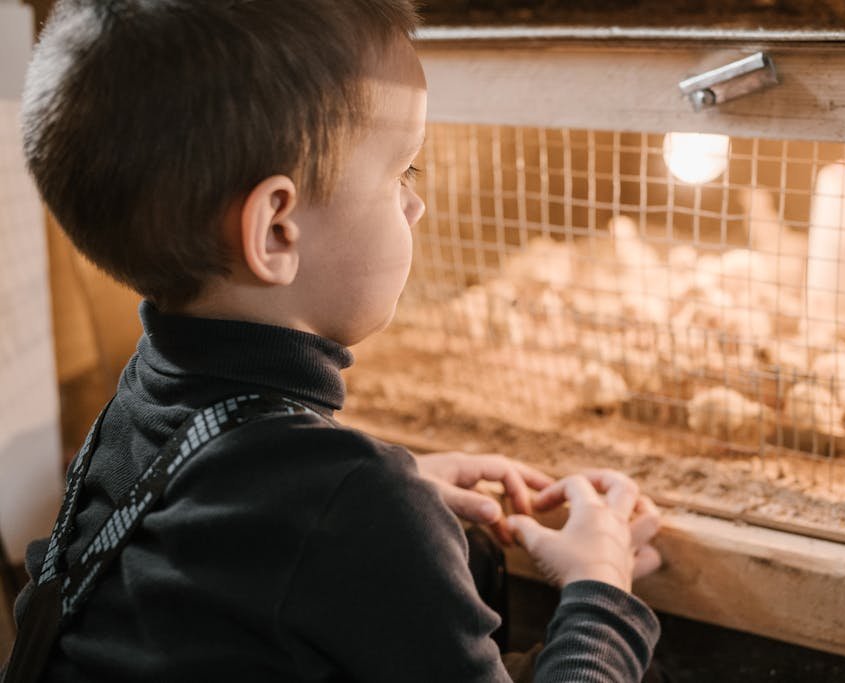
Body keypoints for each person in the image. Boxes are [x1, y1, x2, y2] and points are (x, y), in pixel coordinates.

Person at [10, 1, 663, 680]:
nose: (417, 205)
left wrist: (386, 493)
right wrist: (600, 588)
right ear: (275, 231)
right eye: (402, 173)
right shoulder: (353, 506)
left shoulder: (139, 401)